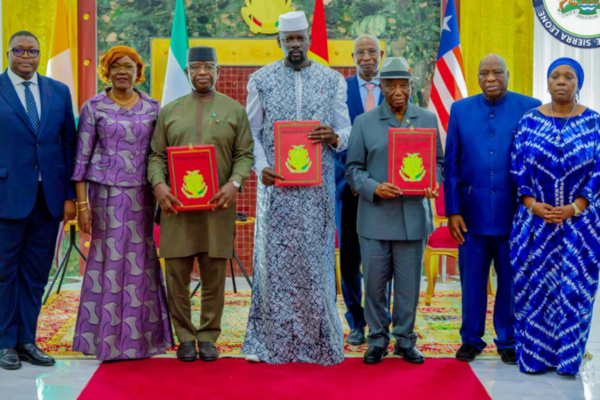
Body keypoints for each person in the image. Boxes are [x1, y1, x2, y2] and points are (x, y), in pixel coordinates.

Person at [242, 11, 352, 366]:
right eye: (288, 39)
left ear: (308, 39)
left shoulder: (332, 80)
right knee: (275, 266)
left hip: (318, 192)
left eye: (299, 38)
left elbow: (346, 131)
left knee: (316, 263)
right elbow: (252, 132)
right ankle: (271, 343)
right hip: (277, 189)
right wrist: (262, 167)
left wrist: (334, 137)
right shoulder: (261, 80)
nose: (294, 44)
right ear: (279, 42)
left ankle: (320, 344)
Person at [148, 46, 254, 363]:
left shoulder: (234, 110)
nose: (202, 72)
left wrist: (234, 184)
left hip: (217, 209)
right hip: (176, 209)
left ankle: (208, 336)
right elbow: (156, 155)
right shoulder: (170, 111)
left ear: (218, 70)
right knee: (176, 277)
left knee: (214, 277)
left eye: (208, 66)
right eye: (196, 67)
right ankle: (184, 337)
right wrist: (159, 185)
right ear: (188, 72)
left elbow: (244, 155)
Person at [71, 46, 174, 360]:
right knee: (110, 261)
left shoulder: (153, 108)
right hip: (105, 196)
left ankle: (144, 341)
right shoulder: (93, 107)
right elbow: (80, 160)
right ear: (106, 70)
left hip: (143, 195)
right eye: (115, 65)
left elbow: (160, 155)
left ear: (138, 71)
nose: (122, 71)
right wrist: (82, 206)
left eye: (128, 66)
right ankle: (104, 340)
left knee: (142, 261)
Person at [345, 57, 444, 365]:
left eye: (404, 85)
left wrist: (433, 182)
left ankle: (404, 339)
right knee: (374, 285)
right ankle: (376, 339)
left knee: (407, 287)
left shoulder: (427, 119)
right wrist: (374, 187)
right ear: (382, 86)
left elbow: (438, 163)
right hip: (375, 217)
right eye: (391, 85)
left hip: (413, 218)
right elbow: (352, 169)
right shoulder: (364, 122)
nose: (398, 91)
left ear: (411, 87)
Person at [444, 54, 541, 364]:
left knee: (510, 281)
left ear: (508, 74)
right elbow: (451, 165)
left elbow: (535, 161)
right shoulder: (460, 110)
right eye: (484, 73)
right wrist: (452, 210)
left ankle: (508, 339)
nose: (490, 78)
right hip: (470, 215)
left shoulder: (530, 107)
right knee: (472, 282)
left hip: (514, 214)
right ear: (477, 77)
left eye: (497, 72)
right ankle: (471, 339)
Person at [510, 58, 600, 376]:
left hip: (580, 228)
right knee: (534, 291)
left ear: (578, 83)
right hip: (534, 225)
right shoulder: (529, 121)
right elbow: (517, 166)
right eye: (555, 76)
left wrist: (576, 206)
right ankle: (534, 357)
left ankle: (568, 359)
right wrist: (533, 203)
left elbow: (598, 171)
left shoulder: (594, 123)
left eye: (568, 77)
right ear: (547, 83)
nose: (561, 81)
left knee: (574, 292)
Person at [0, 31, 77, 370]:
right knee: (4, 275)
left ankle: (27, 340)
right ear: (8, 53)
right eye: (19, 50)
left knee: (35, 274)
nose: (26, 56)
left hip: (48, 200)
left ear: (39, 54)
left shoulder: (58, 91)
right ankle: (4, 343)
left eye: (32, 51)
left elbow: (68, 145)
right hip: (6, 197)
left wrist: (70, 195)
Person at [334, 34, 386, 346]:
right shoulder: (341, 89)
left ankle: (381, 320)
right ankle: (356, 321)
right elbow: (336, 138)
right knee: (350, 259)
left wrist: (373, 184)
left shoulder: (393, 89)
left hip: (383, 191)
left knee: (382, 259)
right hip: (348, 190)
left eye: (372, 52)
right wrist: (354, 181)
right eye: (360, 53)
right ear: (353, 57)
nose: (366, 57)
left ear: (381, 54)